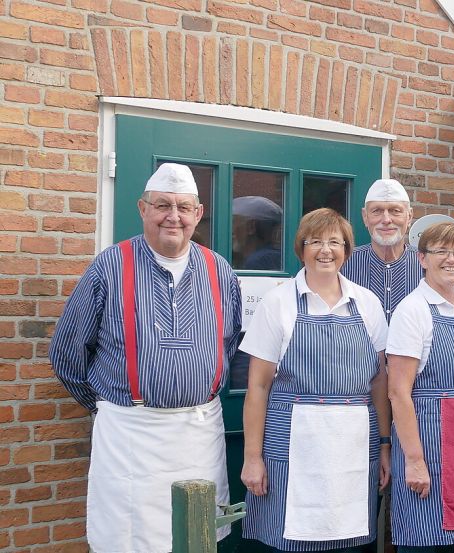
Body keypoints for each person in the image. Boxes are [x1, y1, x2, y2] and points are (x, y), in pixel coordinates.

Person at [49, 163, 242, 553]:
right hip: (130, 437)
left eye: (184, 207)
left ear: (198, 214)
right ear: (142, 209)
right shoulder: (110, 265)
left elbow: (231, 343)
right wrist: (110, 406)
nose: (173, 217)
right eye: (162, 206)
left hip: (198, 434)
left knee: (197, 535)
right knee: (128, 540)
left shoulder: (219, 270)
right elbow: (67, 354)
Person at [239, 208, 390, 552]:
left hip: (353, 449)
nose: (325, 250)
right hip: (293, 448)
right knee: (289, 541)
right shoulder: (277, 303)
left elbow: (379, 381)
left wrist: (384, 444)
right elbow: (258, 387)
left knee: (351, 543)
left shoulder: (367, 304)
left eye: (335, 242)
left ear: (347, 250)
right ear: (301, 248)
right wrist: (252, 456)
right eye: (316, 241)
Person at [387, 222, 454, 552]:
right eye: (442, 251)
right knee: (427, 540)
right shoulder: (412, 311)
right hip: (430, 449)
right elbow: (398, 392)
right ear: (422, 258)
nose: (452, 259)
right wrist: (415, 460)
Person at [342, 178, 424, 321]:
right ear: (365, 217)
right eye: (377, 211)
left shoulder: (428, 264)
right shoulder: (344, 263)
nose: (386, 219)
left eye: (395, 211)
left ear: (409, 216)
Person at [232, 195, 284, 271]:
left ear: (251, 227)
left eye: (233, 222)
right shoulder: (275, 257)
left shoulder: (258, 261)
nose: (231, 231)